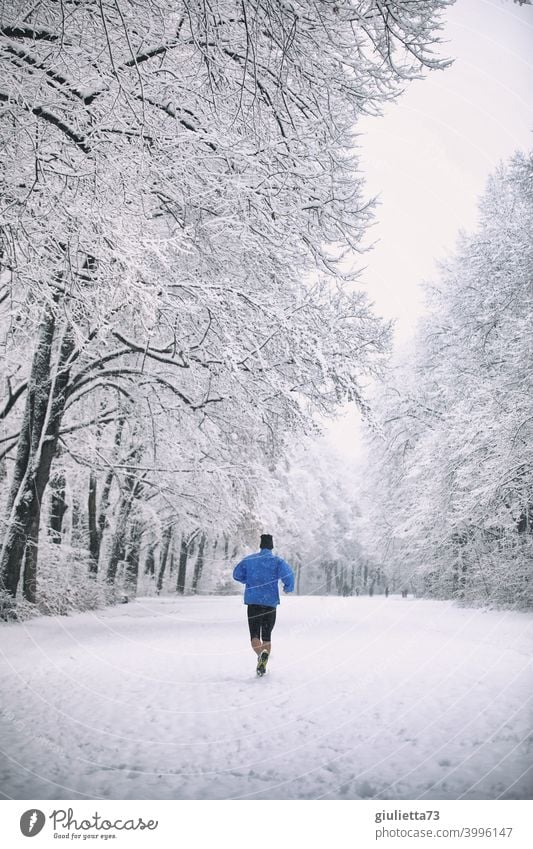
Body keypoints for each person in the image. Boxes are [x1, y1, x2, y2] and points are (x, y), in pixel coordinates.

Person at [233, 533, 295, 676]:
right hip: (270, 603)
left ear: (260, 545)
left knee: (254, 635)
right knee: (267, 636)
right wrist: (288, 587)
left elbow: (236, 574)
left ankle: (261, 655)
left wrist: (247, 580)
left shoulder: (249, 560)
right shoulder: (277, 562)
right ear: (271, 547)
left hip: (253, 602)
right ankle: (264, 659)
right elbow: (288, 576)